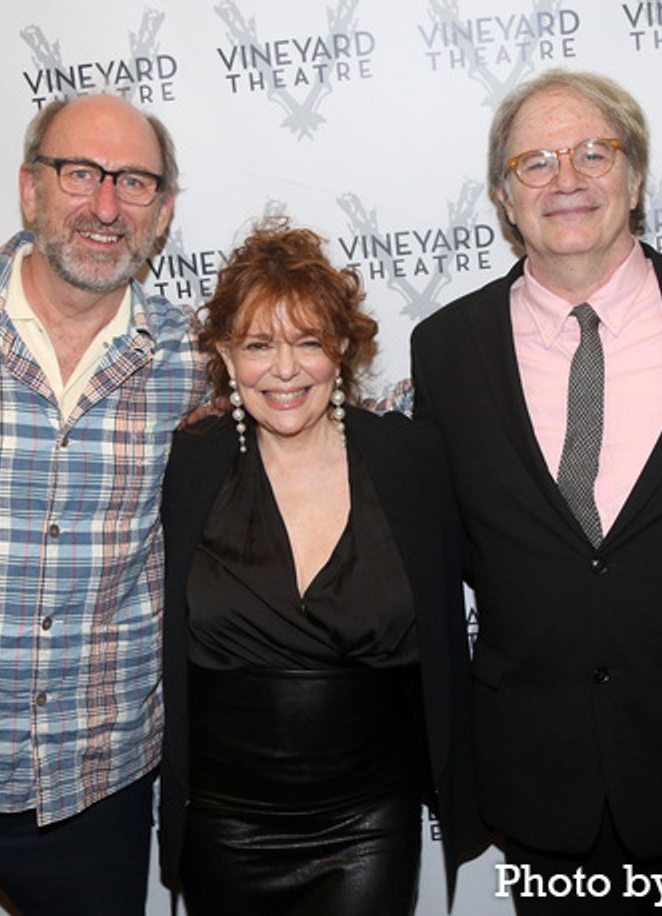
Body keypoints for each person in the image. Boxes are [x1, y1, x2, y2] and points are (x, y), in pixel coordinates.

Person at [410, 69, 662, 914]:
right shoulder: (443, 348)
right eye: (536, 163)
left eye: (596, 152)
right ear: (503, 198)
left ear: (635, 178)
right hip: (546, 778)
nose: (567, 180)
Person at [0, 94, 204, 914]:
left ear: (161, 213)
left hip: (96, 792)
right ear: (29, 189)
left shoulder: (192, 362)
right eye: (79, 173)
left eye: (134, 183)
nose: (104, 206)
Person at [158, 219, 484, 915]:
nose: (283, 370)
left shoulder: (409, 460)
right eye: (256, 345)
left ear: (340, 348)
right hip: (224, 825)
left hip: (367, 823)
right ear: (224, 353)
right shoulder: (191, 462)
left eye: (307, 342)